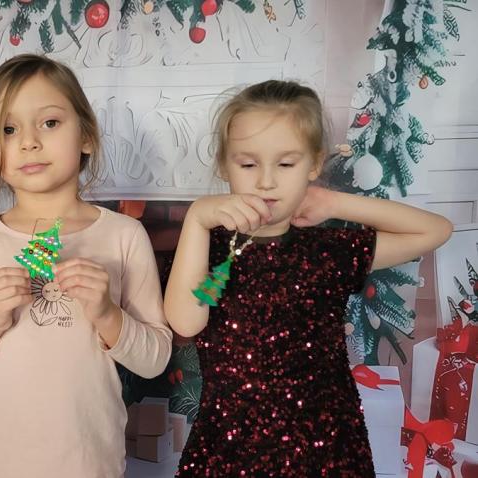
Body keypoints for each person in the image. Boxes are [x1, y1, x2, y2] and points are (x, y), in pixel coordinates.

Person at [164, 80, 453, 477]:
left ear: (313, 164)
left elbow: (435, 230)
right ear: (223, 164)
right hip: (229, 450)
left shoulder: (328, 250)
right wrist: (197, 217)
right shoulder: (208, 251)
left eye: (286, 164)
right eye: (248, 164)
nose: (266, 181)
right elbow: (185, 321)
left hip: (326, 449)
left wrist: (334, 202)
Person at [0, 54, 172, 478]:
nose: (29, 142)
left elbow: (155, 360)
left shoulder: (124, 235)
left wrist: (107, 314)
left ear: (86, 136)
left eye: (50, 123)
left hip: (89, 462)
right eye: (8, 129)